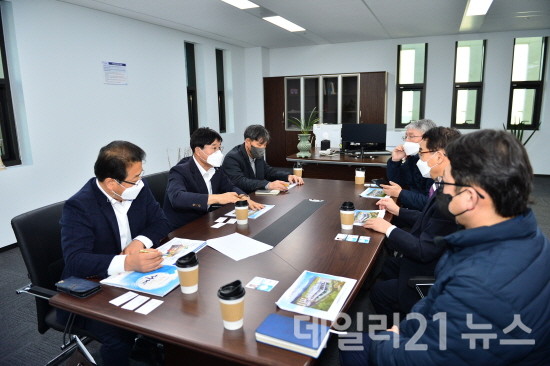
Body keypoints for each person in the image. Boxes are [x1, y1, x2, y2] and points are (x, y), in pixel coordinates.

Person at [341, 129, 550, 365]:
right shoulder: (529, 235)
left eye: (449, 183)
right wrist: (406, 326)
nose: (444, 191)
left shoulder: (479, 285)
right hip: (450, 335)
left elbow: (420, 358)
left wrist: (387, 339)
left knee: (353, 347)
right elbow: (436, 303)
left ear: (470, 197)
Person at [59, 140, 171, 366]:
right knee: (120, 334)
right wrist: (128, 262)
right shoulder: (79, 207)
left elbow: (161, 222)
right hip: (92, 290)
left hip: (130, 279)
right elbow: (76, 261)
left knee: (171, 308)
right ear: (111, 182)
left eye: (141, 174)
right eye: (135, 178)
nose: (140, 182)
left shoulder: (137, 188)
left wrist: (139, 241)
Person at [363, 127, 460, 323]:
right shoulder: (446, 184)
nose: (420, 157)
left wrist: (388, 228)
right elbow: (428, 219)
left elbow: (423, 250)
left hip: (434, 269)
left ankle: (405, 331)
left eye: (422, 152)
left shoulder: (451, 196)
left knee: (380, 291)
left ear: (439, 156)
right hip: (438, 258)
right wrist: (398, 211)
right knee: (386, 264)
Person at [164, 127, 263, 229]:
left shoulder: (216, 169)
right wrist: (218, 198)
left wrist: (243, 197)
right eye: (214, 148)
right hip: (184, 228)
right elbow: (177, 198)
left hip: (207, 222)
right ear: (198, 151)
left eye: (220, 148)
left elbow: (230, 187)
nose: (219, 153)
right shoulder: (180, 171)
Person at [222, 124, 304, 193]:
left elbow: (268, 172)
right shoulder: (232, 158)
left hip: (257, 196)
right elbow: (240, 182)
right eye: (259, 145)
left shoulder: (257, 154)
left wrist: (288, 176)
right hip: (240, 200)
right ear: (248, 142)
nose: (262, 148)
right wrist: (268, 185)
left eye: (265, 145)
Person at [382, 119, 436, 211]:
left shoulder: (436, 164)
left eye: (411, 136)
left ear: (428, 138)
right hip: (411, 208)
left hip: (422, 214)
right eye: (406, 137)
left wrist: (401, 193)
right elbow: (397, 182)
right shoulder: (413, 158)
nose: (407, 140)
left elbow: (429, 203)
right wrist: (395, 160)